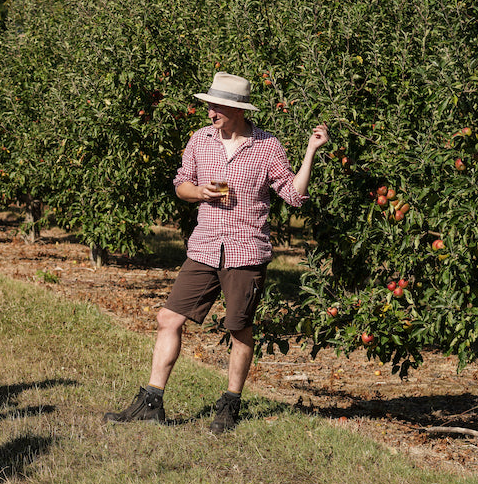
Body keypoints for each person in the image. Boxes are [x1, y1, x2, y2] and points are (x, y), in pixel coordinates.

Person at [104, 71, 330, 433]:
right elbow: (181, 184)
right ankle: (151, 401)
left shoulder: (267, 146)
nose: (210, 112)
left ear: (238, 109)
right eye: (209, 105)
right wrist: (200, 194)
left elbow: (294, 195)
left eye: (217, 107)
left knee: (239, 329)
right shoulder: (200, 140)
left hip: (245, 250)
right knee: (168, 318)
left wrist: (310, 152)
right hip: (205, 246)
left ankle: (229, 404)